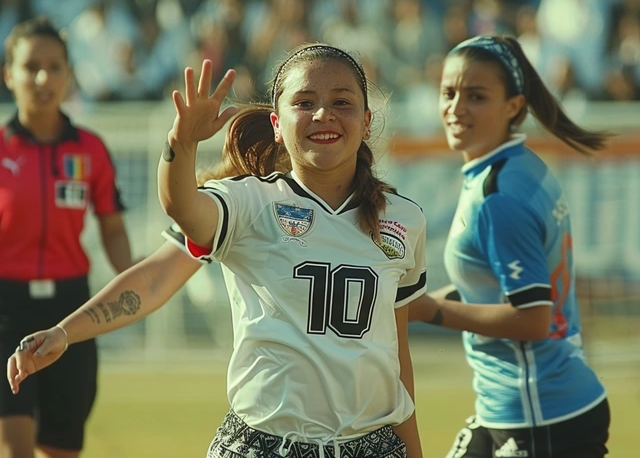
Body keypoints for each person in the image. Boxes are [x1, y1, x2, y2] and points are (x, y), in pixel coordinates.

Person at [9, 43, 427, 458]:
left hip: (373, 446)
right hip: (263, 445)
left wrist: (413, 450)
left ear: (368, 120)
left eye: (342, 101)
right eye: (304, 102)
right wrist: (181, 144)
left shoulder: (405, 221)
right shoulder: (248, 203)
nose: (323, 114)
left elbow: (396, 357)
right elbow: (172, 232)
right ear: (277, 124)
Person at [408, 35, 611, 458]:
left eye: (476, 96)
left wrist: (431, 312)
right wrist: (412, 306)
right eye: (448, 92)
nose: (456, 108)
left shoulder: (499, 195)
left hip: (540, 417)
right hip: (521, 408)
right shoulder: (515, 167)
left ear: (514, 106)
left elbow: (533, 318)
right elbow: (495, 288)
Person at [0, 17, 134, 458]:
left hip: (70, 312)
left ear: (68, 73)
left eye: (55, 66)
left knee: (61, 448)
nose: (43, 78)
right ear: (9, 74)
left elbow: (112, 228)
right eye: (31, 66)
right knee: (16, 447)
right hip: (5, 309)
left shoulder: (90, 149)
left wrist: (135, 280)